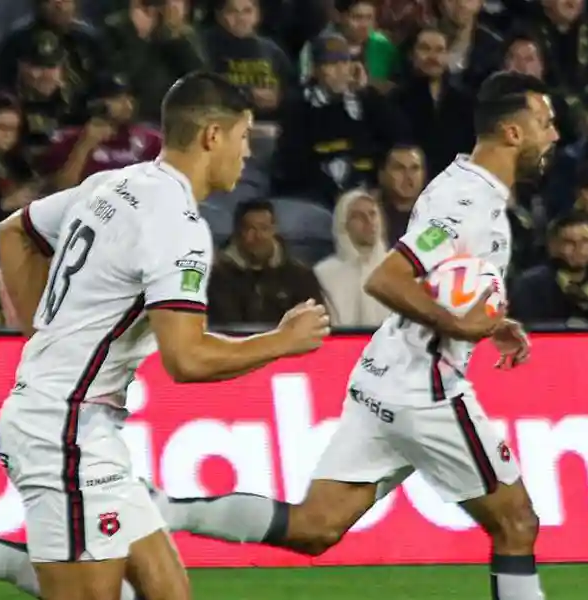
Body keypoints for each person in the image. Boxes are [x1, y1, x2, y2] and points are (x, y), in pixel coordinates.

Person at [0, 71, 330, 600]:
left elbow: (14, 231)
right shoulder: (177, 223)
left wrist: (43, 331)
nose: (248, 154)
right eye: (244, 136)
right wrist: (282, 341)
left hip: (79, 428)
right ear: (212, 136)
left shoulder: (114, 183)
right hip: (63, 434)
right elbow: (187, 358)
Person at [139, 70, 557, 600]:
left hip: (384, 378)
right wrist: (457, 325)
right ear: (513, 133)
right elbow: (387, 277)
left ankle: (163, 508)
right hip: (424, 390)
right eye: (544, 122)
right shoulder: (466, 203)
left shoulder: (468, 188)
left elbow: (440, 283)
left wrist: (486, 322)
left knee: (317, 527)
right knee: (516, 524)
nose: (554, 134)